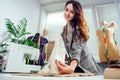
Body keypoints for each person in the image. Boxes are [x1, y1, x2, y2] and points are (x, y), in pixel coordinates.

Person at [55, 0, 101, 74]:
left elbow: (76, 50)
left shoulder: (77, 28)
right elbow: (70, 51)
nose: (68, 14)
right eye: (67, 10)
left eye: (72, 12)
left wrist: (71, 67)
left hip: (87, 67)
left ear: (75, 14)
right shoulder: (64, 31)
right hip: (76, 67)